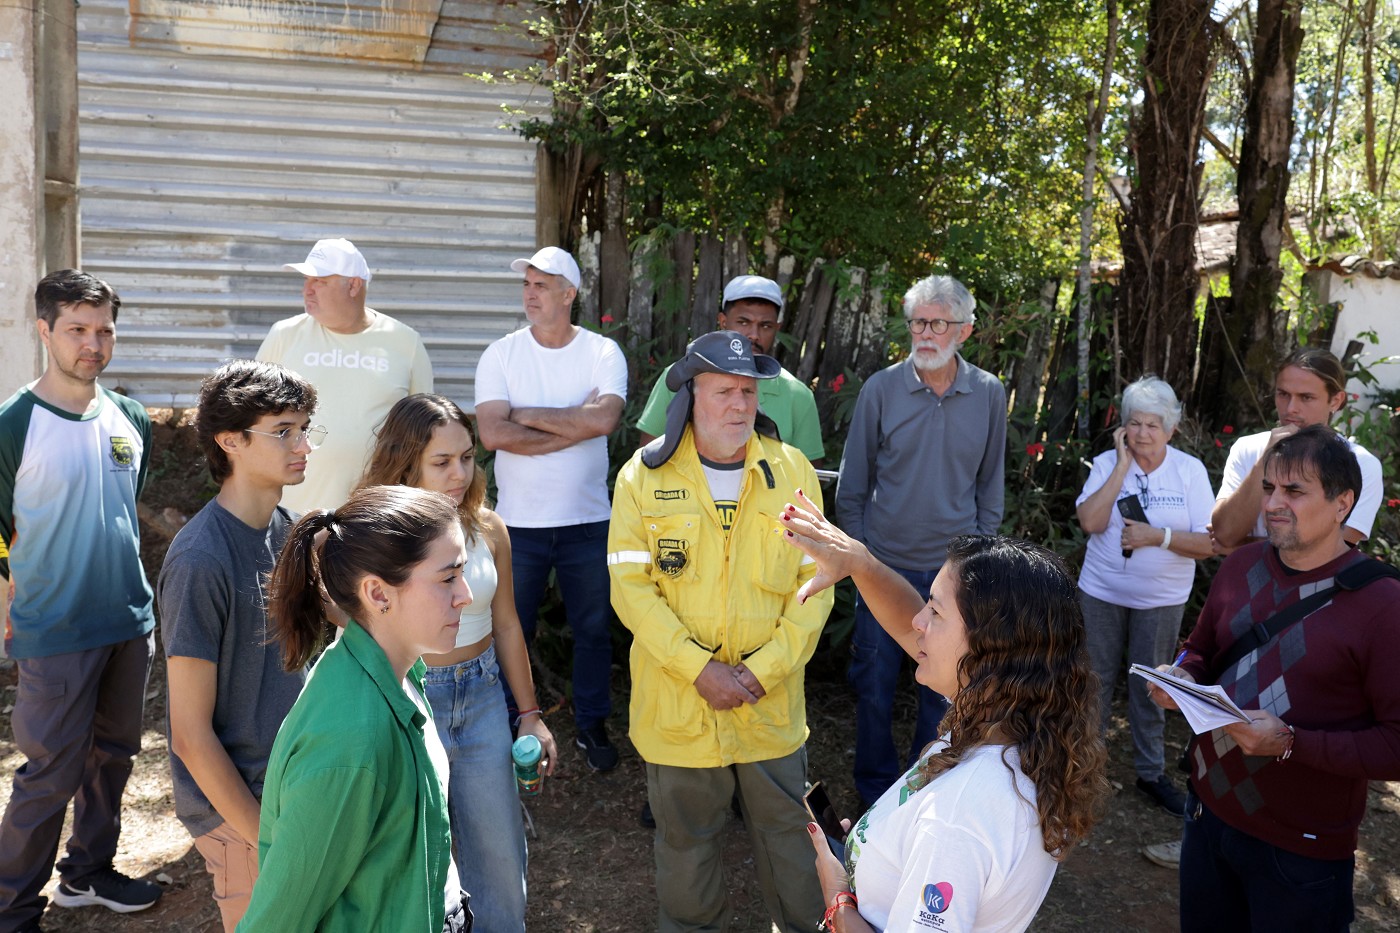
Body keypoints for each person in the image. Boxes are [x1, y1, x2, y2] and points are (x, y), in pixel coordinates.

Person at [781, 497, 1107, 933]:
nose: (918, 621)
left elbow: (949, 837)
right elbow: (906, 625)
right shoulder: (1015, 730)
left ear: (991, 649)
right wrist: (861, 563)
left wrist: (838, 901)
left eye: (934, 611)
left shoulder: (957, 817)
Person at [608, 331, 834, 932]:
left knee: (794, 847)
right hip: (679, 711)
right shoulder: (642, 479)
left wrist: (761, 672)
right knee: (686, 853)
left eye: (748, 392)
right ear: (689, 397)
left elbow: (816, 585)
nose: (740, 405)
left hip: (770, 709)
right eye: (724, 392)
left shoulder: (792, 471)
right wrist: (698, 669)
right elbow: (631, 591)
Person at [1147, 425, 1400, 931]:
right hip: (1206, 816)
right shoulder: (1240, 565)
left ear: (1343, 503)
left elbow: (1395, 745)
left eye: (1294, 491)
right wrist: (1181, 676)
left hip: (1301, 851)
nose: (1273, 504)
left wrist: (1290, 742)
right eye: (1269, 488)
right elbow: (1203, 648)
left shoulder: (1383, 604)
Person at [357, 393, 557, 933]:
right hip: (409, 700)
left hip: (485, 698)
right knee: (418, 866)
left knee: (501, 865)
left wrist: (530, 715)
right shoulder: (376, 537)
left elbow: (507, 624)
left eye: (467, 457)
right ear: (406, 463)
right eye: (441, 461)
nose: (459, 474)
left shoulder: (488, 528)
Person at [0, 271, 162, 932]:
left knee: (114, 757)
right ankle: (11, 911)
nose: (93, 344)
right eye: (76, 329)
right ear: (45, 330)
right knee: (49, 776)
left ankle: (87, 873)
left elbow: (122, 507)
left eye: (104, 330)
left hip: (127, 621)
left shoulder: (132, 417)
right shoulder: (14, 424)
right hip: (55, 629)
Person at [235, 485, 471, 933]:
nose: (466, 595)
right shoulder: (352, 741)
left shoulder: (399, 675)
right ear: (378, 594)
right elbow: (275, 921)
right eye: (448, 579)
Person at [159, 359, 321, 931]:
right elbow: (189, 733)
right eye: (284, 431)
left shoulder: (290, 530)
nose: (303, 445)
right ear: (230, 441)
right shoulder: (200, 560)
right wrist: (264, 837)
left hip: (296, 792)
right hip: (243, 815)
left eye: (306, 429)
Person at [835, 273, 1007, 807]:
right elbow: (852, 487)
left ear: (965, 330)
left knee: (946, 693)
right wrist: (861, 561)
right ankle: (873, 795)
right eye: (918, 323)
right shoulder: (881, 389)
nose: (926, 334)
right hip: (883, 569)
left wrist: (978, 563)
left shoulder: (988, 393)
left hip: (953, 578)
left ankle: (925, 790)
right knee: (874, 687)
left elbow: (990, 486)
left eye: (938, 324)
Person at [474, 246, 627, 771]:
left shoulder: (602, 351)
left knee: (593, 629)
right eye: (527, 284)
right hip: (517, 526)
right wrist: (573, 425)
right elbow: (492, 433)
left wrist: (526, 415)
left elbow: (604, 420)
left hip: (588, 521)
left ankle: (591, 724)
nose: (530, 294)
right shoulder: (501, 354)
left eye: (542, 285)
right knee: (510, 626)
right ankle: (510, 721)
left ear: (569, 293)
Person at [1074, 377, 1214, 817]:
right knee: (1092, 680)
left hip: (1162, 598)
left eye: (1153, 425)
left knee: (1153, 686)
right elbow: (1091, 523)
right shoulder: (1106, 464)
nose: (1143, 433)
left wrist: (1158, 536)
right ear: (1123, 427)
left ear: (1171, 429)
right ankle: (1082, 770)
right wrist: (1121, 467)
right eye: (1135, 423)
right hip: (1101, 592)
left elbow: (1209, 543)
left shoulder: (1189, 471)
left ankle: (1150, 773)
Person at [256, 237, 433, 514]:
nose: (307, 290)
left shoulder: (406, 343)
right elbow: (251, 420)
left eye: (320, 281)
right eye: (306, 280)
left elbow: (426, 432)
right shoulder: (284, 335)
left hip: (373, 520)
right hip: (288, 515)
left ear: (353, 286)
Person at [635, 274, 824, 461]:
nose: (754, 335)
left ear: (777, 328)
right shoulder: (681, 377)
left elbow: (810, 474)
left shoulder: (797, 395)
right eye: (743, 322)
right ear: (723, 322)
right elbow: (648, 458)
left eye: (766, 326)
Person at [1211, 347, 1382, 549]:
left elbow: (1332, 550)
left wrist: (1239, 548)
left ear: (1335, 401)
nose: (1291, 408)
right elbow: (1225, 534)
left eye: (1306, 397)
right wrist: (1264, 460)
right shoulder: (1248, 448)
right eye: (1283, 394)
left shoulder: (1362, 464)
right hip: (1244, 571)